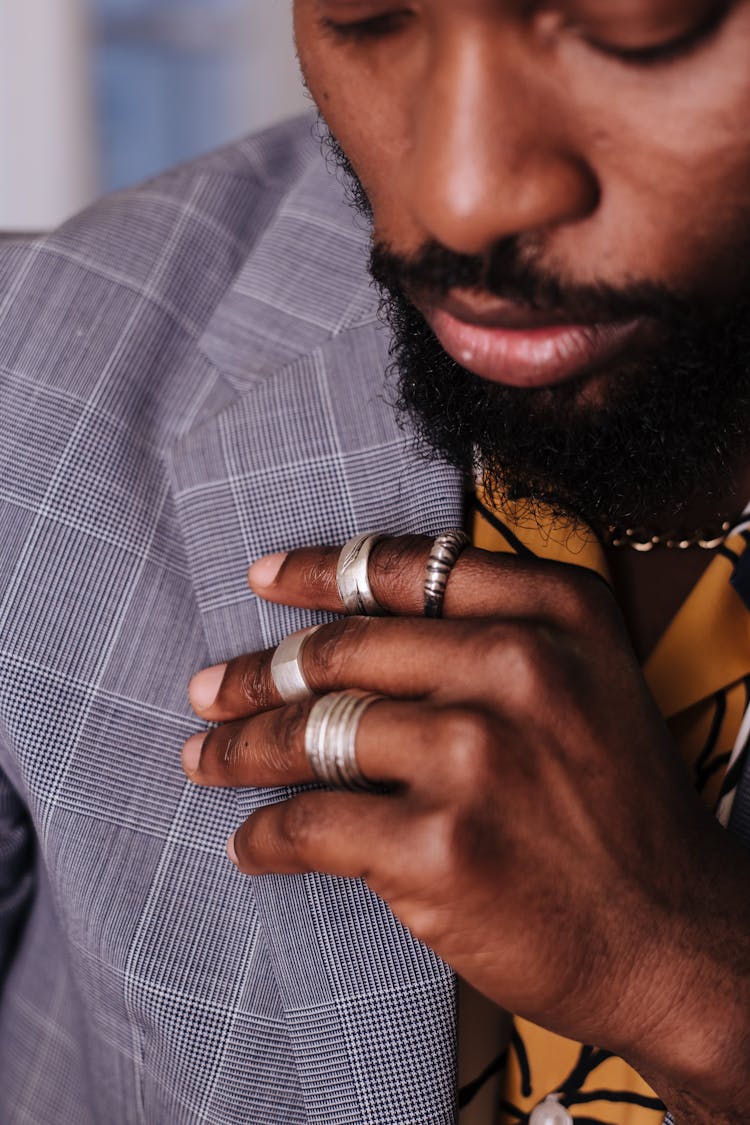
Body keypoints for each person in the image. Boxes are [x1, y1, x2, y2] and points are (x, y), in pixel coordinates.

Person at [1, 2, 749, 1123]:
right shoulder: (47, 360)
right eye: (367, 15)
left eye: (632, 28)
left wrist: (698, 993)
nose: (459, 196)